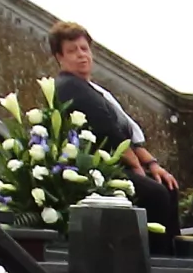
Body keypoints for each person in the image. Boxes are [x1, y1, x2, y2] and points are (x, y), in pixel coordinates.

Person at [46, 21, 180, 229]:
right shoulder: (69, 86)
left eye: (84, 48)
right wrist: (137, 167)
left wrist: (153, 165)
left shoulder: (95, 90)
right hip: (96, 169)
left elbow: (127, 133)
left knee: (167, 184)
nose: (82, 55)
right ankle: (156, 258)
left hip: (118, 160)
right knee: (156, 194)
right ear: (59, 57)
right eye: (72, 51)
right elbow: (108, 132)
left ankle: (175, 254)